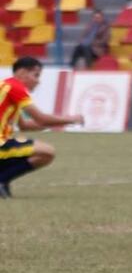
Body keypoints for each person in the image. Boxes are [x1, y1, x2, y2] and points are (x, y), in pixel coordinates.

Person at [0, 57, 84, 199]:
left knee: (36, 149)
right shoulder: (16, 88)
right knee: (47, 152)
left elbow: (24, 125)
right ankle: (2, 180)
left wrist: (61, 122)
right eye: (36, 75)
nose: (38, 81)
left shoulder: (7, 87)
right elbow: (41, 118)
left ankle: (3, 180)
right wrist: (71, 118)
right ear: (21, 72)